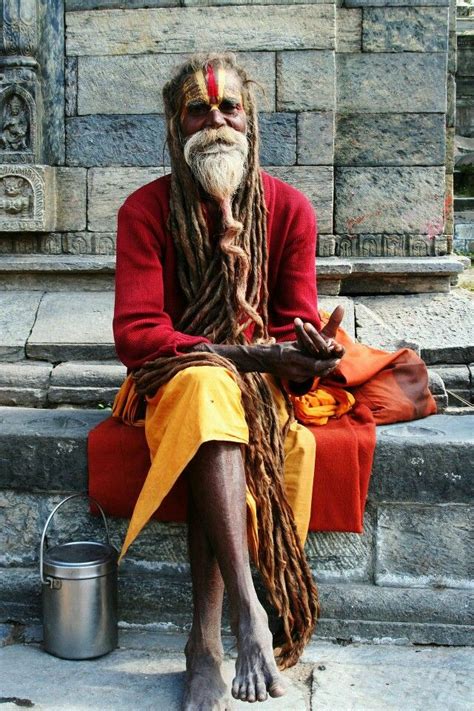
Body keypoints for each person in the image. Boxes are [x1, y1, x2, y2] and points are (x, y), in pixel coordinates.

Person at [107, 52, 435, 710]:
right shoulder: (144, 211)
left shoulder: (288, 210)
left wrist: (308, 351)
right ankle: (240, 619)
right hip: (171, 381)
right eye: (199, 110)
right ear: (176, 129)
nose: (217, 120)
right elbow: (138, 334)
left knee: (219, 402)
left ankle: (205, 643)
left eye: (231, 107)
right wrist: (255, 357)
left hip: (253, 394)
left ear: (250, 123)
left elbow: (294, 321)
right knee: (205, 390)